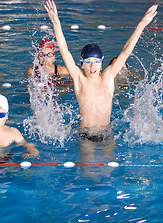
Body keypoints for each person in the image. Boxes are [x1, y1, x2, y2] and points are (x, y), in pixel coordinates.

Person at [45, 0, 158, 140]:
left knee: (113, 160)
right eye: (89, 63)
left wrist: (142, 24)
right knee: (87, 161)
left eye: (97, 62)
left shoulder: (108, 77)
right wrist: (56, 23)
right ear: (82, 65)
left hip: (106, 132)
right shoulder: (79, 79)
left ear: (101, 63)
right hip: (85, 133)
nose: (93, 67)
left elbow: (126, 51)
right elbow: (65, 52)